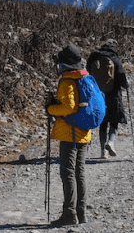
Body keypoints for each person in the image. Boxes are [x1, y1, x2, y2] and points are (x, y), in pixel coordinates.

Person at [46, 44, 91, 226]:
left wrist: (50, 108)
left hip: (69, 133)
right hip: (83, 130)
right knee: (79, 173)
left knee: (67, 173)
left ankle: (69, 214)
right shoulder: (84, 77)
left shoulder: (67, 81)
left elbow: (68, 107)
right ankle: (81, 213)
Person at [86, 40, 128, 159]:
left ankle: (102, 151)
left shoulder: (94, 58)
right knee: (114, 120)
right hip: (113, 95)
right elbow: (122, 78)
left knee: (103, 123)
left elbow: (88, 74)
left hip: (98, 95)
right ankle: (111, 141)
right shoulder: (114, 58)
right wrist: (126, 85)